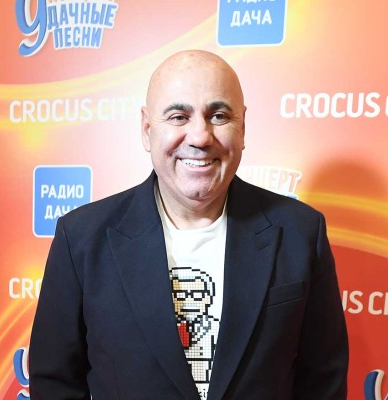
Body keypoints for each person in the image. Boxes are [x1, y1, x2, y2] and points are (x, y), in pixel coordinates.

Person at [29, 50, 348, 400]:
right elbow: (55, 383)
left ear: (242, 127)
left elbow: (323, 381)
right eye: (179, 116)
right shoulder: (80, 239)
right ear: (147, 129)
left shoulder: (301, 233)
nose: (200, 136)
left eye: (219, 115)